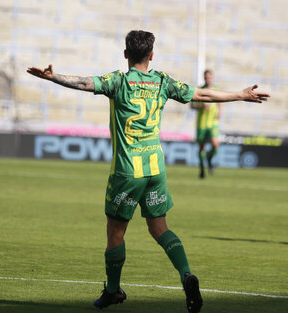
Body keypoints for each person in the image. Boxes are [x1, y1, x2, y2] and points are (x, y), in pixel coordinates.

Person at [27, 30, 269, 313]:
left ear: (126, 54)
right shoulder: (162, 81)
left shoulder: (117, 81)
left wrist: (52, 77)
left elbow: (83, 83)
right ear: (151, 55)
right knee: (159, 228)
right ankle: (186, 275)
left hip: (128, 172)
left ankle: (114, 291)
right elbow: (201, 94)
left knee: (116, 231)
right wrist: (241, 94)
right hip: (156, 168)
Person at [191, 70, 221, 179]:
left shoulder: (217, 90)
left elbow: (220, 102)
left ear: (212, 77)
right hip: (202, 123)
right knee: (201, 147)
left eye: (209, 77)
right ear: (204, 77)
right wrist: (201, 107)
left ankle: (209, 158)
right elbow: (192, 105)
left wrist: (220, 111)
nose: (208, 78)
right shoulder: (199, 90)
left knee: (215, 144)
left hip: (213, 123)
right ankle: (202, 169)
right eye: (206, 77)